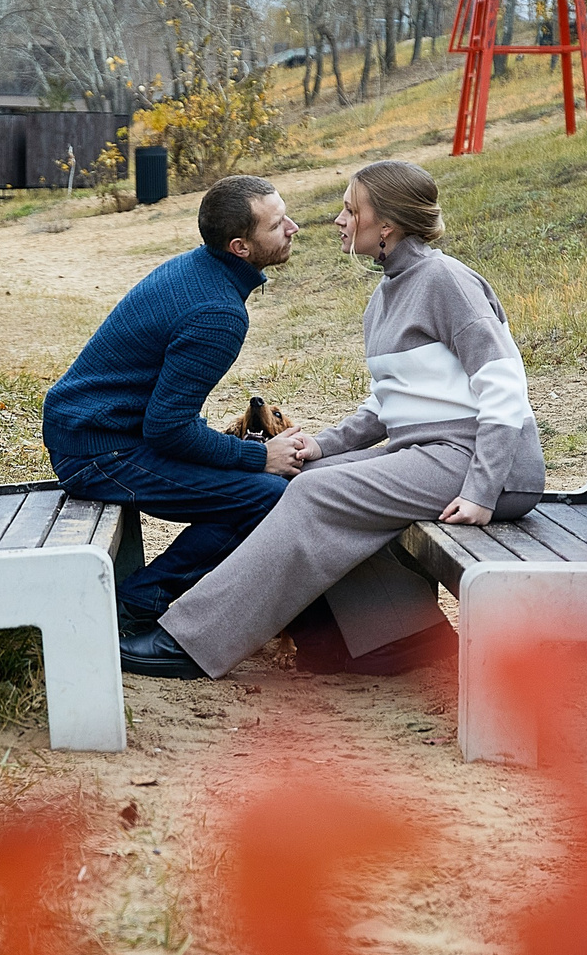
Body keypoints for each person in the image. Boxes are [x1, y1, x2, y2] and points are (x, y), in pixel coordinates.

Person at [120, 158, 544, 679]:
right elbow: (388, 403)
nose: (338, 221)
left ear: (384, 225)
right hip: (432, 454)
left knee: (313, 496)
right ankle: (402, 637)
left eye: (350, 210)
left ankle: (187, 641)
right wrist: (321, 447)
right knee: (311, 477)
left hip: (484, 465)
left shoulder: (445, 281)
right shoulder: (388, 292)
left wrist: (483, 490)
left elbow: (503, 386)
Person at [44, 175, 309, 632]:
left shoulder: (199, 269)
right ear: (240, 247)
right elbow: (166, 428)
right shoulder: (219, 312)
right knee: (266, 496)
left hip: (98, 431)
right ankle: (139, 602)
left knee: (261, 489)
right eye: (277, 223)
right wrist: (258, 455)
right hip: (98, 452)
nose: (293, 227)